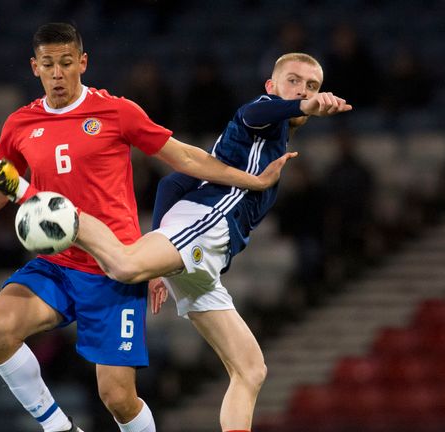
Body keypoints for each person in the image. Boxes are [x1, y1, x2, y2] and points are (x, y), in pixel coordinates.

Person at [0, 23, 295, 432]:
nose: (57, 73)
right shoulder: (19, 124)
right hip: (57, 264)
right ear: (34, 67)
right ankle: (58, 427)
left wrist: (255, 180)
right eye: (48, 64)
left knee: (118, 398)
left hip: (112, 270)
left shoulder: (116, 111)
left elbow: (186, 160)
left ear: (82, 63)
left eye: (66, 63)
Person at [70, 53, 352, 431]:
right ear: (271, 87)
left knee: (251, 369)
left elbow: (172, 183)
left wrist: (160, 263)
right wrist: (305, 105)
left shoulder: (261, 142)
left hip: (206, 258)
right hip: (206, 224)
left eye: (312, 86)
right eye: (294, 81)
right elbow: (257, 113)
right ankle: (60, 215)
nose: (303, 90)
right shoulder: (263, 115)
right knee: (123, 266)